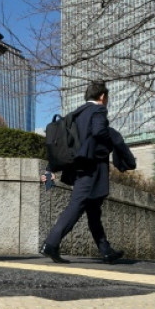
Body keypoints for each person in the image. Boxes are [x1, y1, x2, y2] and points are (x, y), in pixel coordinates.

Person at [38, 81, 133, 264]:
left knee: (93, 210)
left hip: (79, 165)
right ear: (103, 96)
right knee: (77, 205)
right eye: (107, 98)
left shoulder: (77, 113)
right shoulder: (98, 111)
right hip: (91, 167)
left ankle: (106, 251)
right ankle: (50, 244)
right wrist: (111, 141)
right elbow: (99, 132)